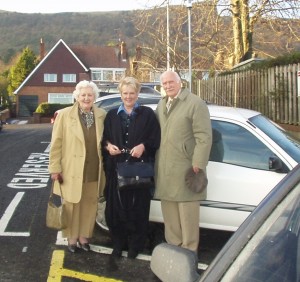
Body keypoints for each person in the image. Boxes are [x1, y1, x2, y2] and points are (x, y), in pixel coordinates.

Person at [102, 76, 160, 259]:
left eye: (132, 93)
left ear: (137, 94)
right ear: (120, 94)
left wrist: (144, 146)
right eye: (125, 93)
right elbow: (104, 139)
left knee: (138, 210)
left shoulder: (148, 114)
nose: (128, 96)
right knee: (115, 210)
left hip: (139, 172)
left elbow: (155, 139)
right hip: (116, 170)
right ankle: (118, 244)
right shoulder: (111, 115)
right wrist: (108, 147)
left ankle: (136, 246)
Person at [154, 70, 212, 254]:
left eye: (171, 82)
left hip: (187, 168)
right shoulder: (161, 104)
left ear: (181, 83)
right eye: (165, 83)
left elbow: (204, 137)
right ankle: (174, 250)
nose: (168, 86)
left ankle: (189, 252)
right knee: (170, 216)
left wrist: (198, 163)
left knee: (188, 215)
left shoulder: (195, 103)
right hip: (165, 168)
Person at [48, 80, 106, 253]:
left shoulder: (102, 115)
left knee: (89, 205)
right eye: (83, 95)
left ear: (94, 97)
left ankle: (83, 237)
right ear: (77, 96)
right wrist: (54, 168)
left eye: (90, 95)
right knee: (71, 205)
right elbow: (56, 143)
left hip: (93, 169)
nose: (86, 98)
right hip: (71, 170)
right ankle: (72, 239)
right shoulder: (65, 115)